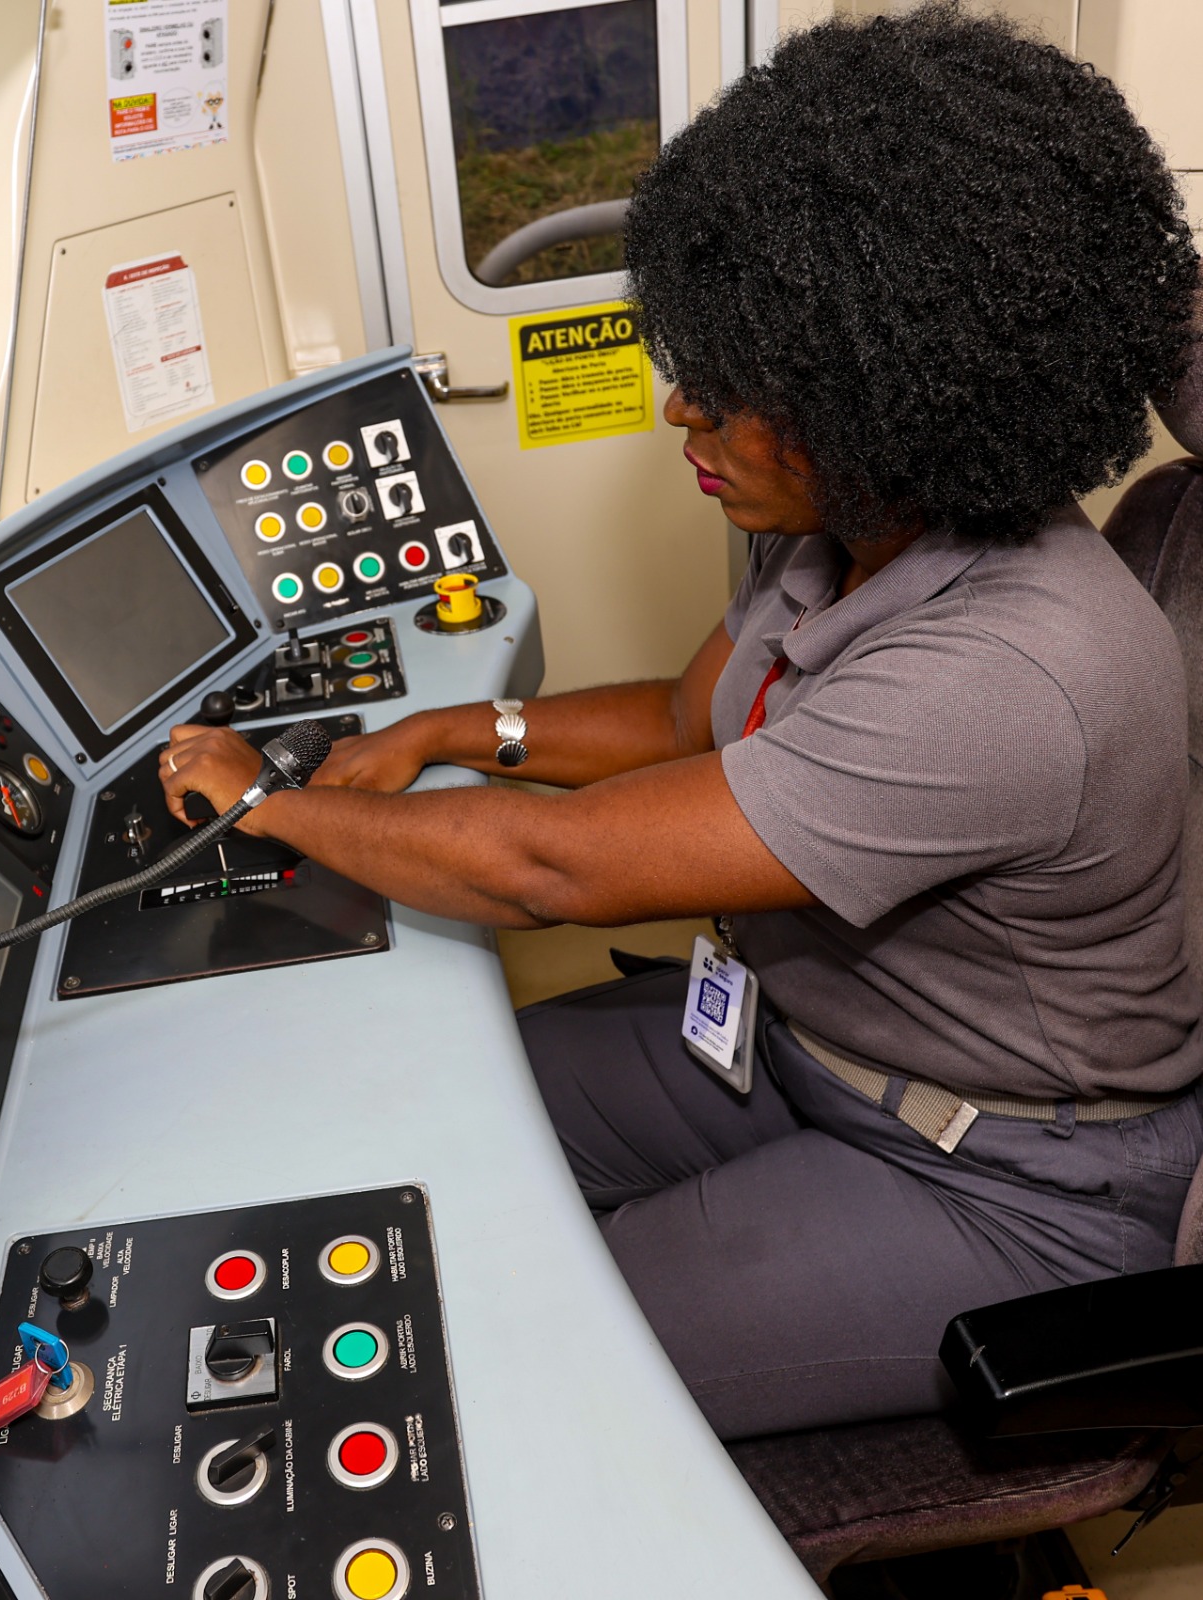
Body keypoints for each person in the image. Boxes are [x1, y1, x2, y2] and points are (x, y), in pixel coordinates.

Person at [160, 3, 1203, 1440]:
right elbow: (678, 712)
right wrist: (461, 733)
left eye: (730, 395)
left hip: (1000, 1177)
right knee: (425, 1112)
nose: (675, 413)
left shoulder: (1010, 674)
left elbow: (555, 873)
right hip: (798, 1039)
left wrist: (257, 805)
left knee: (499, 1355)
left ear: (882, 395)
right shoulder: (848, 526)